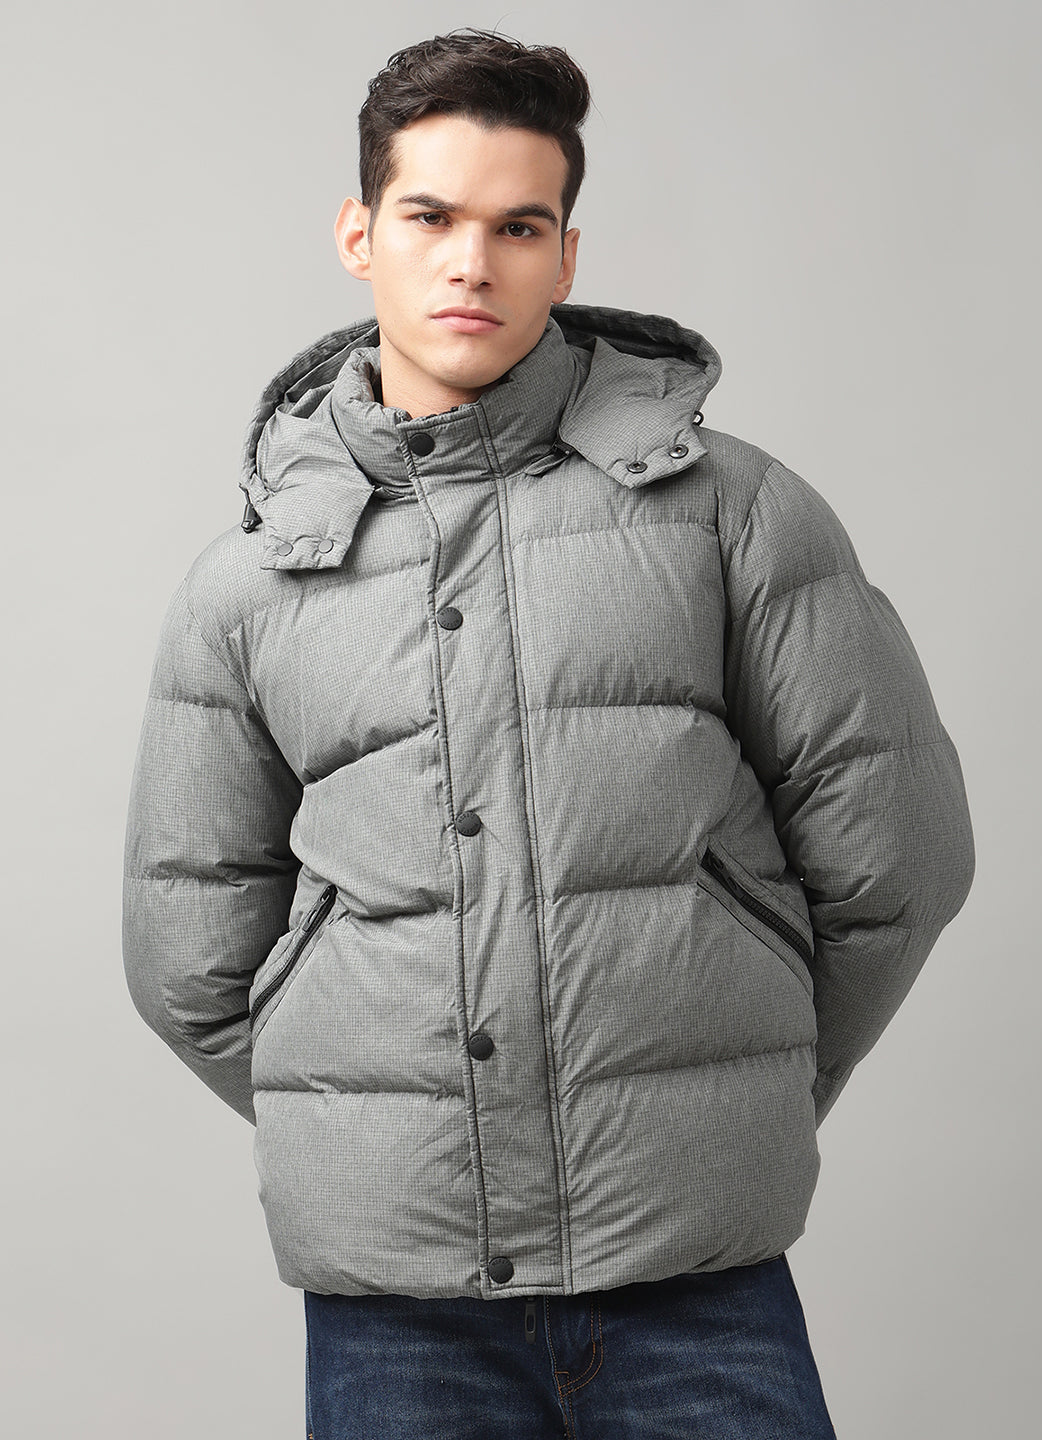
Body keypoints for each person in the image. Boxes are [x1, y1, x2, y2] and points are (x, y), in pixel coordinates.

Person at [123, 28, 975, 1440]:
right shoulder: (251, 582)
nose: (473, 263)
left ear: (566, 257)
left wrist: (733, 1096)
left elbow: (902, 857)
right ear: (359, 235)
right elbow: (184, 957)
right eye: (431, 217)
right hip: (397, 1301)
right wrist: (379, 1129)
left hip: (695, 1274)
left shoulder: (735, 514)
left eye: (519, 227)